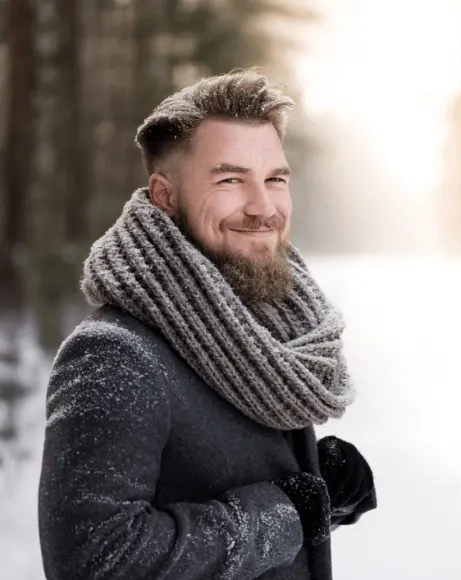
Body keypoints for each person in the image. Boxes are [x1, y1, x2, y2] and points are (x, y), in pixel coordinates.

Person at [37, 69, 377, 580]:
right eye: (230, 179)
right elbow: (94, 559)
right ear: (164, 196)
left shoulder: (260, 330)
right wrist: (284, 512)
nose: (264, 208)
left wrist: (318, 491)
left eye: (275, 179)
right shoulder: (116, 355)